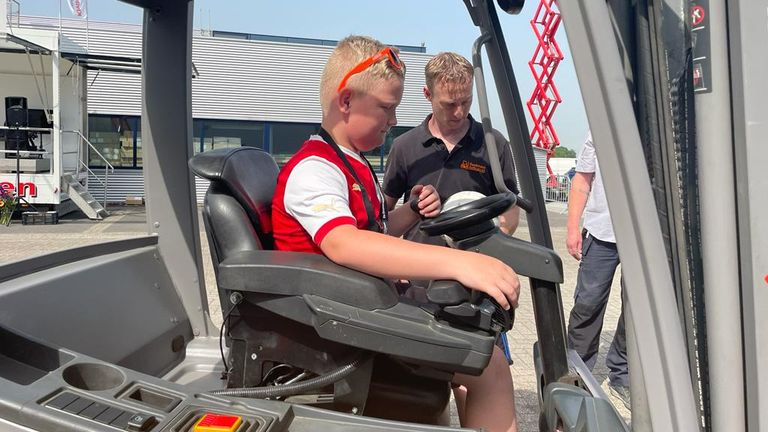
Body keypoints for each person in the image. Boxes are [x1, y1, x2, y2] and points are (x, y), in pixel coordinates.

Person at [271, 36, 519, 432]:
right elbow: (345, 242)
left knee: (478, 338)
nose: (393, 121)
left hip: (364, 305)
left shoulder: (351, 164)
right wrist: (461, 262)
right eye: (386, 109)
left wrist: (413, 210)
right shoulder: (314, 169)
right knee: (488, 363)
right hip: (336, 327)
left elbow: (376, 230)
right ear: (346, 101)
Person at [382, 51, 520, 248]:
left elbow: (511, 206)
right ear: (427, 94)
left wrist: (493, 242)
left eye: (466, 101)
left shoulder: (493, 142)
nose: (459, 112)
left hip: (474, 267)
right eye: (450, 104)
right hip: (418, 271)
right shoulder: (404, 146)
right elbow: (384, 213)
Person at [565, 131, 630, 409]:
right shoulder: (600, 129)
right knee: (588, 303)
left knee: (637, 311)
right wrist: (571, 227)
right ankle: (577, 371)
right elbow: (582, 180)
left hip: (644, 239)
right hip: (601, 232)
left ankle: (623, 373)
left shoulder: (660, 125)